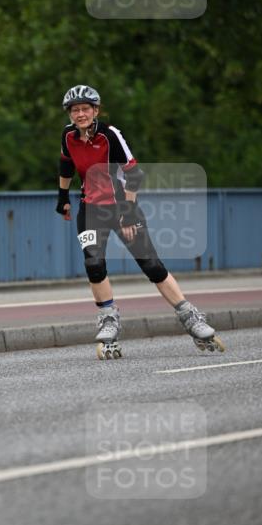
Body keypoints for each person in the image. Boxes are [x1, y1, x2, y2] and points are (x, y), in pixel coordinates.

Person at [55, 84, 225, 359]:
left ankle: (191, 317)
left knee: (151, 265)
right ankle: (108, 320)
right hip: (91, 209)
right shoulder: (68, 136)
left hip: (123, 206)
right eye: (75, 110)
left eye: (86, 109)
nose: (81, 114)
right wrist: (62, 195)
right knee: (93, 263)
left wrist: (128, 212)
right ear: (70, 114)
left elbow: (135, 175)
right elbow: (66, 165)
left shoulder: (111, 136)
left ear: (95, 110)